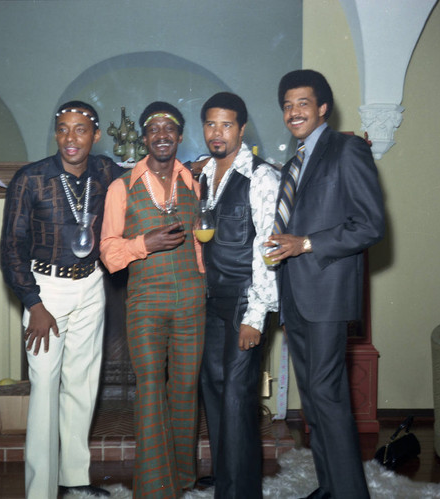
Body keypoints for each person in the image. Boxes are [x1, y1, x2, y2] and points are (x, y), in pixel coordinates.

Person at [268, 70, 385, 499]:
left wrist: (306, 243)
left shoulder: (347, 149)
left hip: (327, 293)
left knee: (326, 393)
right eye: (287, 105)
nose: (293, 111)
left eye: (302, 103)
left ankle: (351, 493)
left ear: (322, 108)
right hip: (295, 294)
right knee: (314, 399)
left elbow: (370, 225)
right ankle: (330, 486)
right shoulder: (294, 160)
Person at [0, 101, 124, 498]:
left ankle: (75, 480)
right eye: (64, 130)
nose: (71, 139)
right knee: (45, 389)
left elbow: (143, 174)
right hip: (46, 291)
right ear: (56, 133)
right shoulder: (30, 179)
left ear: (96, 135)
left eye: (81, 130)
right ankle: (41, 491)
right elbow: (11, 249)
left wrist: (192, 169)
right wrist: (34, 304)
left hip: (91, 286)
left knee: (82, 386)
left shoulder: (105, 171)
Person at [100, 102, 206, 498]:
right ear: (144, 139)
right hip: (145, 303)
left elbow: (201, 244)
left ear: (179, 136)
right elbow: (109, 253)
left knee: (184, 391)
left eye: (169, 128)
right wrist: (146, 243)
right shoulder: (121, 187)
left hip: (192, 301)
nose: (162, 134)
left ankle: (183, 481)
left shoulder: (193, 184)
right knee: (149, 390)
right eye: (153, 129)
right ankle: (154, 489)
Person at [198, 92, 280, 498]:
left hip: (244, 304)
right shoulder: (204, 175)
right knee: (213, 389)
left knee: (236, 399)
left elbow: (269, 248)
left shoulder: (262, 177)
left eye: (226, 124)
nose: (218, 132)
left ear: (242, 129)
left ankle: (240, 492)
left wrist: (256, 315)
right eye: (211, 124)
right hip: (212, 302)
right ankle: (225, 483)